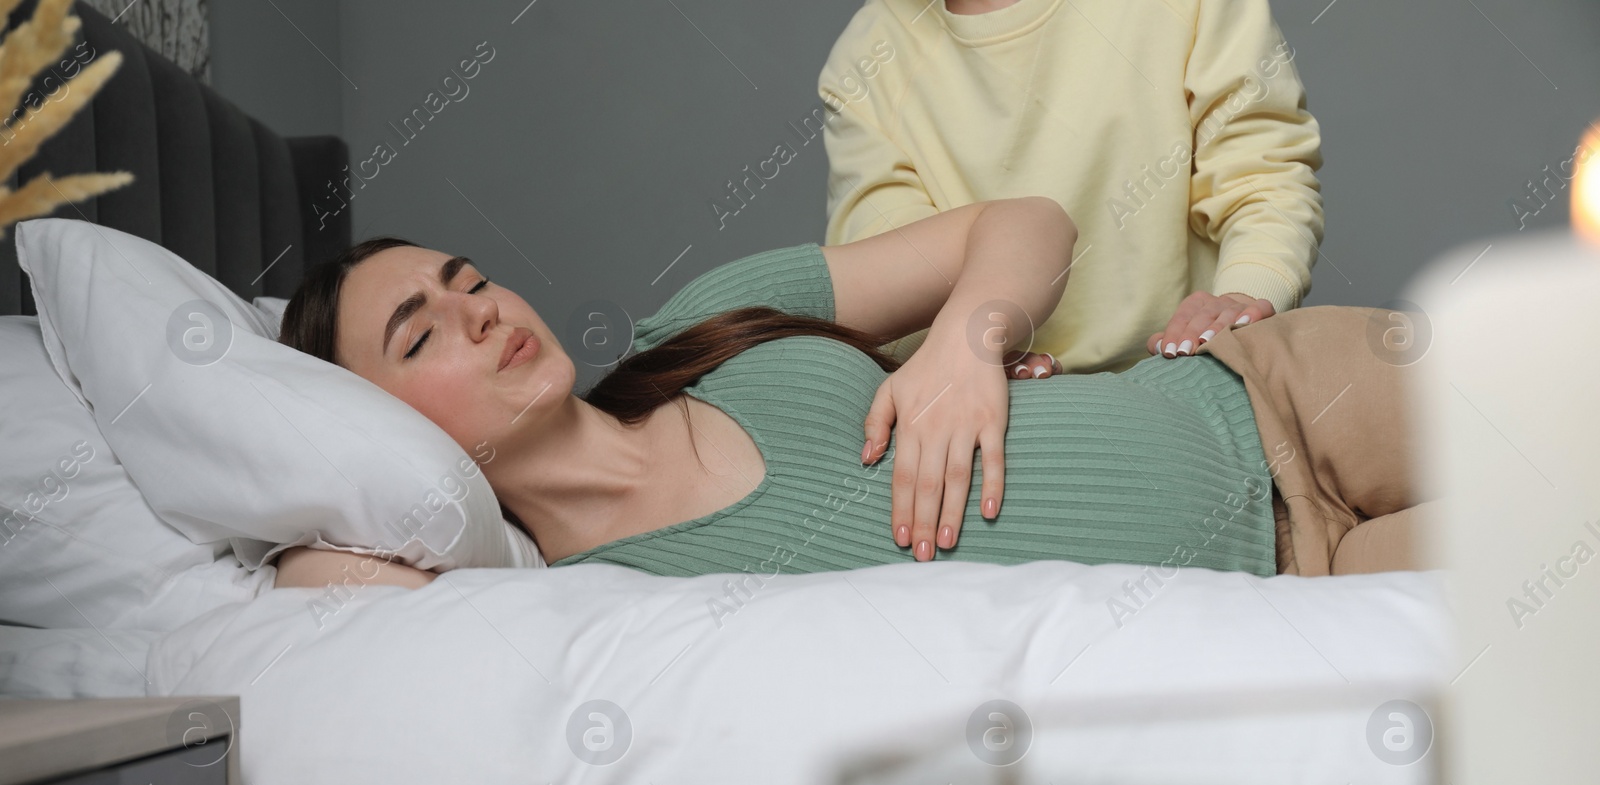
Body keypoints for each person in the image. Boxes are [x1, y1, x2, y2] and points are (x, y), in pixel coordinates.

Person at [271, 198, 1431, 594]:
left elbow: (1024, 220)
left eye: (467, 278)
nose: (477, 307)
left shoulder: (698, 325)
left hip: (1264, 389)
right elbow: (319, 583)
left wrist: (964, 345)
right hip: (1295, 587)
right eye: (421, 332)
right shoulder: (592, 610)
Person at [819, 0, 1324, 371]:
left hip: (1193, 379)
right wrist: (965, 359)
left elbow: (1262, 178)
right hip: (998, 410)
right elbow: (886, 272)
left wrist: (1242, 299)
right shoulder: (865, 59)